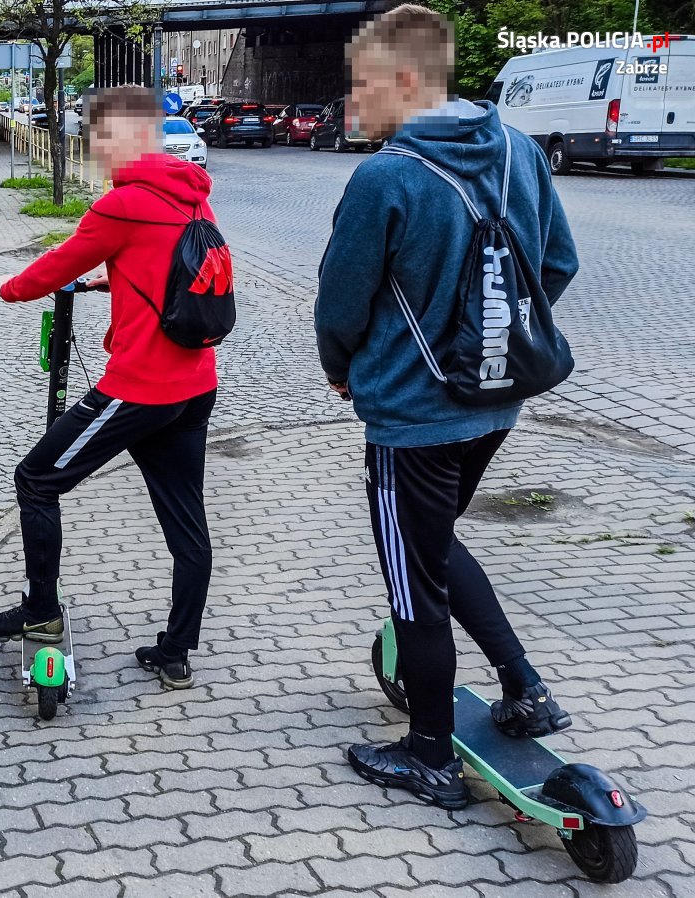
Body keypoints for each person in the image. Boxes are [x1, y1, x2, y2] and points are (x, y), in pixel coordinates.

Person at [314, 5, 580, 808]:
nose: (355, 107)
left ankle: (430, 754)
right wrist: (494, 345)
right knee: (433, 548)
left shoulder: (385, 176)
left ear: (404, 80)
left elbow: (339, 307)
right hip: (498, 405)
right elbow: (557, 263)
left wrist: (345, 371)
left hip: (412, 420)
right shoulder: (518, 149)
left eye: (363, 89)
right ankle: (525, 688)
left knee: (413, 587)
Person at [0, 85, 223, 691]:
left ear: (124, 138)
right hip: (195, 385)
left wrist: (7, 288)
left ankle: (40, 611)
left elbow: (58, 264)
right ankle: (176, 651)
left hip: (138, 389)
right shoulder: (194, 197)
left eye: (95, 137)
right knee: (187, 523)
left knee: (36, 479)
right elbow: (175, 272)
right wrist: (111, 288)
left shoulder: (125, 203)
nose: (91, 148)